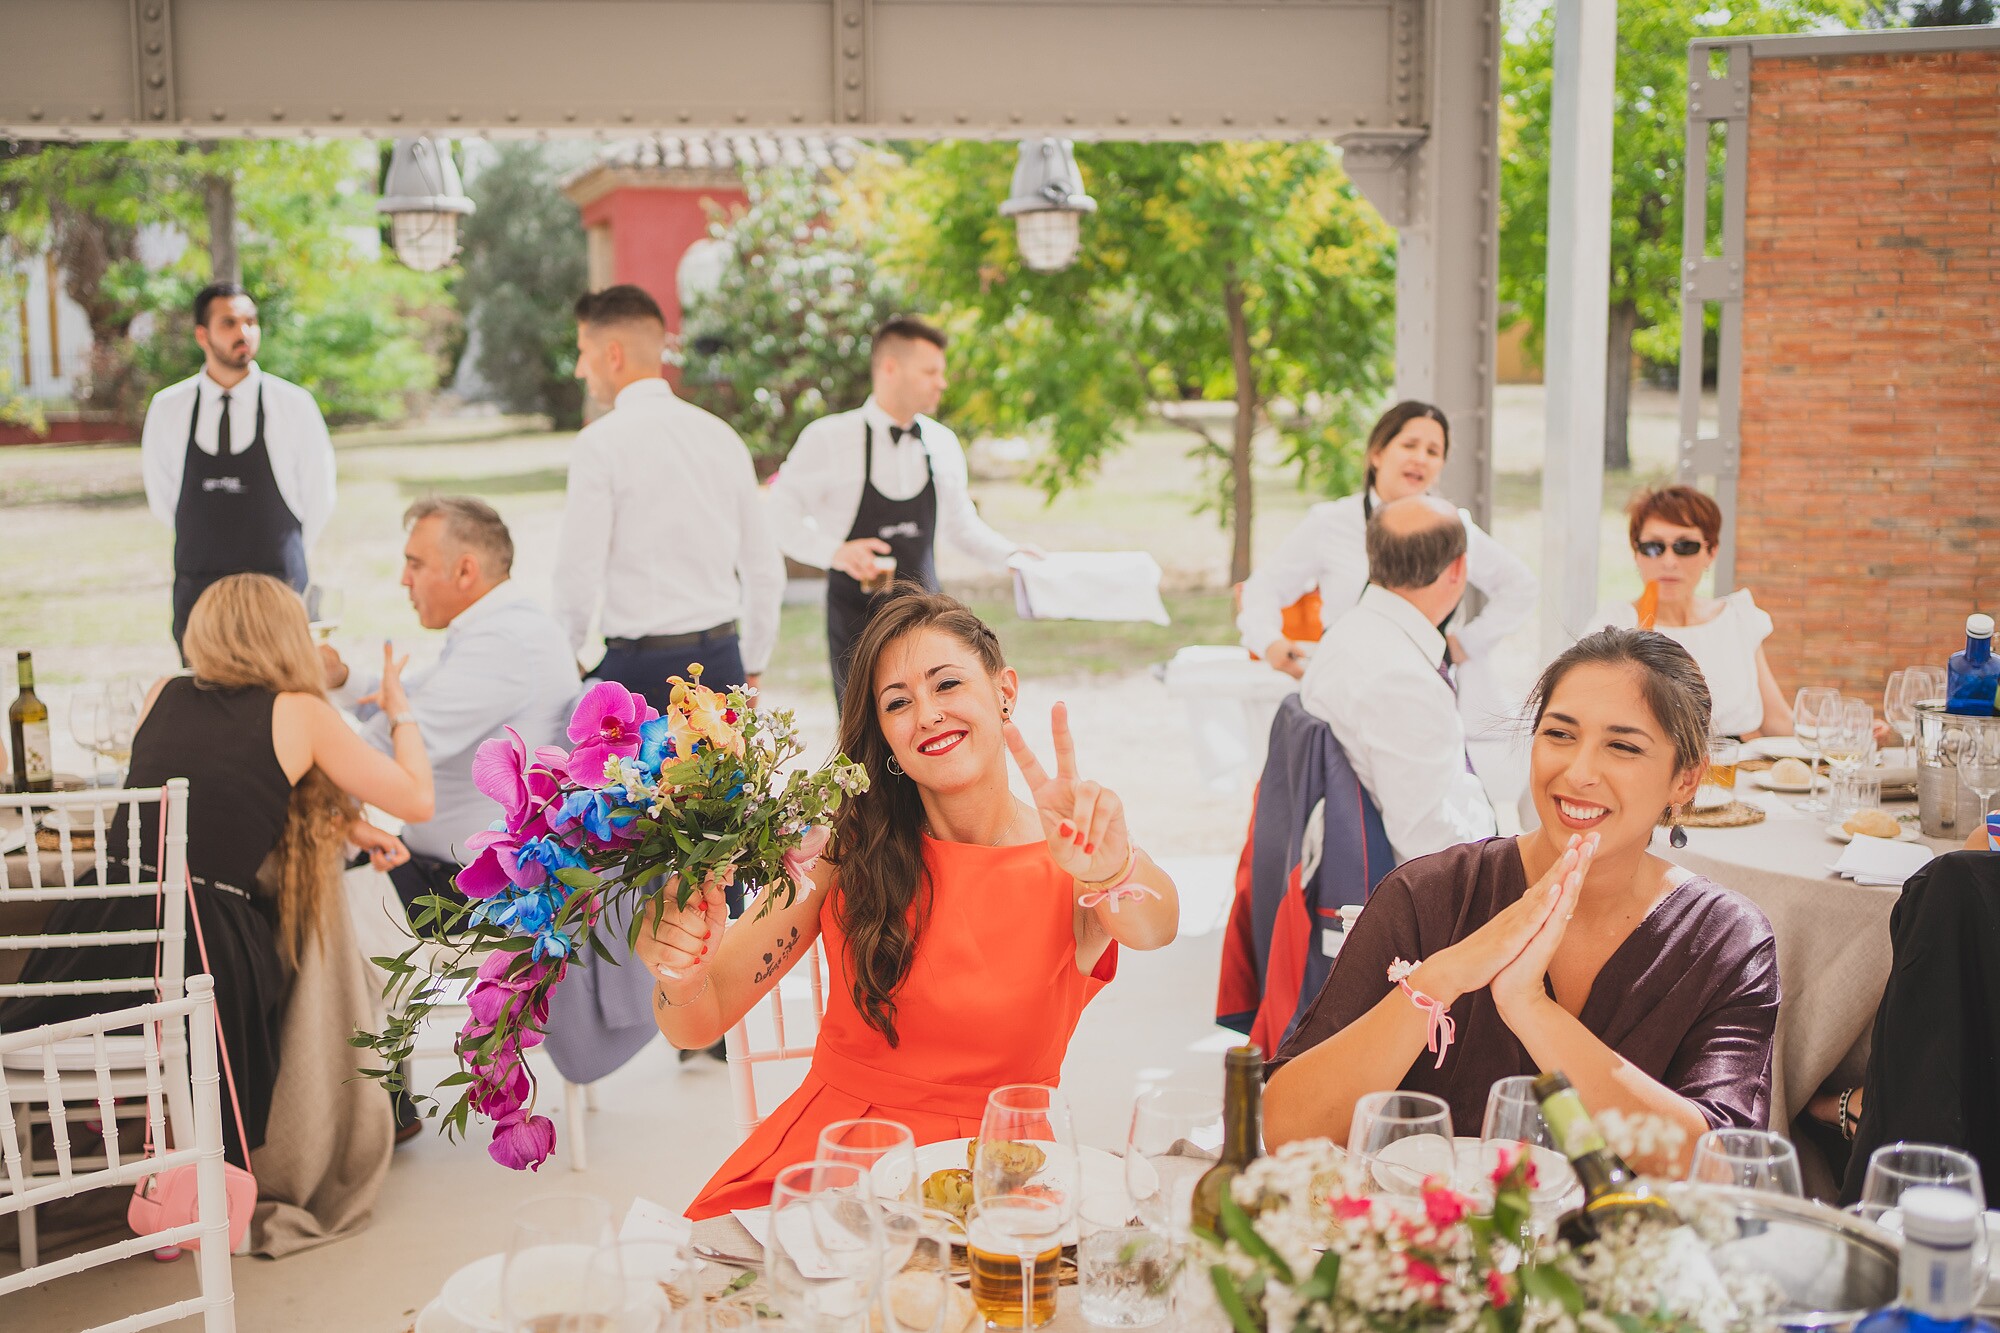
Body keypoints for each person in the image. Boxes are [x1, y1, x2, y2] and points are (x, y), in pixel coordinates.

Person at [635, 590, 1181, 1218]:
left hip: (998, 1186)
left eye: (947, 684)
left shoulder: (1075, 863)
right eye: (898, 702)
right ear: (885, 734)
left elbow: (1156, 926)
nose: (927, 714)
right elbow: (697, 1020)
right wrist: (679, 968)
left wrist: (1116, 866)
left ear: (1005, 689)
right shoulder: (844, 850)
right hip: (831, 1172)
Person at [1264, 627, 1780, 1161]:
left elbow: (1720, 1168)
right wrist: (1442, 978)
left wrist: (1529, 1007)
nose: (1578, 772)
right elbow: (1287, 1131)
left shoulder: (1725, 942)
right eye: (1559, 734)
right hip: (1436, 1238)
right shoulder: (1429, 897)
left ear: (1685, 781)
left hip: (1626, 1244)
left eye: (1623, 746)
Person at [0, 574, 434, 1168]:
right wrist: (398, 707)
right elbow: (416, 800)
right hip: (201, 950)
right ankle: (203, 1171)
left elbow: (214, 788)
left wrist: (344, 821)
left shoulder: (163, 692)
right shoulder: (299, 711)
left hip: (100, 934)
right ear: (287, 637)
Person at [323, 496, 578, 912]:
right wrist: (341, 678)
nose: (404, 579)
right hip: (440, 865)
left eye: (415, 564)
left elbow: (392, 745)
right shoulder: (502, 627)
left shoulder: (504, 643)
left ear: (465, 570)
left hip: (465, 892)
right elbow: (399, 705)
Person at [766, 316, 1035, 703]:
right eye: (930, 371)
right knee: (865, 746)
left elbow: (960, 526)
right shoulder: (828, 438)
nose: (941, 382)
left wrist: (1012, 556)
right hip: (857, 625)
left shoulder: (942, 443)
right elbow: (778, 515)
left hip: (929, 623)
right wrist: (836, 552)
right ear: (890, 368)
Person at [552, 284, 784, 703]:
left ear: (613, 355)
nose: (579, 371)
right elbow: (763, 568)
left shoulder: (599, 444)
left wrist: (563, 656)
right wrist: (752, 667)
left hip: (639, 670)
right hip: (720, 662)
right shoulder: (722, 437)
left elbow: (578, 574)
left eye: (584, 354)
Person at [1239, 401, 1535, 681]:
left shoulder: (1455, 528)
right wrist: (1269, 642)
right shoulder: (1331, 522)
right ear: (1377, 454)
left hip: (1426, 690)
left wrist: (1467, 644)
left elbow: (1520, 586)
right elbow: (1263, 588)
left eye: (1433, 451)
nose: (1420, 458)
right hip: (1341, 687)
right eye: (1409, 445)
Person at [1300, 495, 1497, 865]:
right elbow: (1430, 847)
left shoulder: (1349, 632)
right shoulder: (1401, 680)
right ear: (1458, 570)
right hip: (1418, 890)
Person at [141, 283, 337, 650]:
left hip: (280, 592)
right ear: (203, 335)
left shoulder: (294, 405)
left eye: (250, 322)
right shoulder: (168, 408)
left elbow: (319, 498)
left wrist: (283, 562)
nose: (243, 333)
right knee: (205, 703)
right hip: (199, 599)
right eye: (229, 323)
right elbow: (163, 499)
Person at [1593, 485, 1792, 739]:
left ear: (1711, 553)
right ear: (1636, 554)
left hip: (1738, 770)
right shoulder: (1614, 625)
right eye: (1653, 547)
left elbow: (1777, 720)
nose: (1668, 561)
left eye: (1685, 546)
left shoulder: (1737, 618)